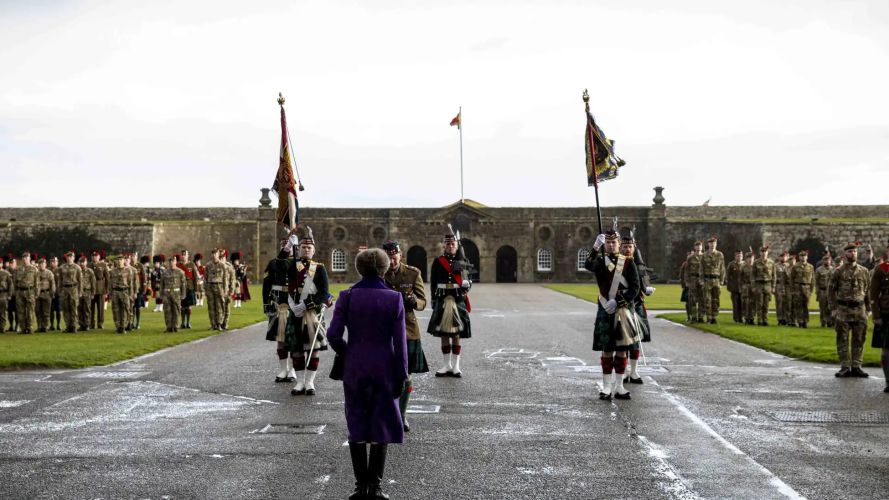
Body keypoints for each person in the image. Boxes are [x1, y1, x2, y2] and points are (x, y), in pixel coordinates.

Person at [327, 248, 407, 500]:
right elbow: (400, 343)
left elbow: (333, 335)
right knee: (382, 424)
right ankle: (376, 487)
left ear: (359, 269)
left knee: (357, 422)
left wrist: (347, 352)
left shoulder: (347, 296)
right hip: (384, 366)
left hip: (355, 366)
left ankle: (360, 487)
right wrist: (402, 374)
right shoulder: (394, 298)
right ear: (384, 269)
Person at [585, 227, 640, 400]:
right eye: (607, 242)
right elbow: (588, 265)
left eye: (613, 242)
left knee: (622, 350)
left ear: (618, 243)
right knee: (607, 349)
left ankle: (620, 386)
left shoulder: (628, 262)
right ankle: (607, 387)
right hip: (605, 311)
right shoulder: (601, 262)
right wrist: (595, 248)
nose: (610, 245)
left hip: (623, 310)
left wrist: (618, 301)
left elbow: (635, 288)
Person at [382, 240, 428, 431]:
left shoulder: (412, 273)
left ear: (400, 256)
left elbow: (423, 302)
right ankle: (387, 412)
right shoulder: (377, 273)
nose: (392, 262)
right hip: (383, 329)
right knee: (384, 374)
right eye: (388, 258)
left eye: (394, 258)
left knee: (406, 375)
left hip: (407, 329)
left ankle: (402, 415)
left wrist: (413, 300)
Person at [287, 227, 330, 396]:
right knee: (296, 349)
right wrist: (287, 248)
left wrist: (307, 305)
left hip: (313, 313)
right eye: (303, 247)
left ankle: (310, 382)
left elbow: (324, 292)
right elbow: (284, 277)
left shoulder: (319, 268)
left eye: (309, 248)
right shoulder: (292, 266)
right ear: (299, 249)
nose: (306, 250)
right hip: (296, 313)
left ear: (314, 251)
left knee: (314, 349)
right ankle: (299, 382)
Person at [428, 226, 472, 377]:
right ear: (444, 245)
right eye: (448, 244)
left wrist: (467, 286)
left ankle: (456, 366)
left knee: (456, 334)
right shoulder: (438, 261)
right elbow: (433, 282)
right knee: (444, 333)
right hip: (442, 298)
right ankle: (446, 365)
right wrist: (434, 300)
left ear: (457, 245)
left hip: (457, 299)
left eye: (453, 244)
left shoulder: (463, 261)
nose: (450, 246)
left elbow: (468, 281)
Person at [828, 242, 871, 377]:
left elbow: (868, 291)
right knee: (842, 339)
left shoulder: (864, 271)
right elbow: (831, 290)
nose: (853, 254)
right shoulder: (838, 271)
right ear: (845, 254)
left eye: (855, 252)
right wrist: (833, 308)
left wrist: (869, 308)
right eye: (850, 252)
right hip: (843, 309)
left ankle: (857, 366)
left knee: (859, 338)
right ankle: (845, 366)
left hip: (860, 309)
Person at [620, 230, 654, 384]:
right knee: (623, 340)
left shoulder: (639, 264)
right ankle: (625, 370)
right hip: (622, 305)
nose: (627, 249)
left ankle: (634, 371)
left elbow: (645, 282)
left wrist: (647, 289)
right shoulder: (616, 263)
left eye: (630, 246)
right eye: (625, 246)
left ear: (634, 248)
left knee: (635, 340)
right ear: (621, 247)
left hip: (637, 304)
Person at [264, 237, 298, 383]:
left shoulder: (298, 262)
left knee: (294, 339)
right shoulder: (274, 263)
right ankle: (283, 369)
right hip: (280, 304)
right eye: (284, 245)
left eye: (289, 245)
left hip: (295, 305)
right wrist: (266, 304)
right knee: (281, 338)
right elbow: (267, 283)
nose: (287, 247)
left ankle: (292, 369)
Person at [869, 240, 889, 392]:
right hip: (886, 313)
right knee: (886, 350)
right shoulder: (881, 269)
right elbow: (874, 295)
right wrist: (876, 315)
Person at [701, 235, 726, 324]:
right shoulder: (704, 255)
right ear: (708, 244)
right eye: (711, 243)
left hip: (716, 280)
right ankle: (709, 317)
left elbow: (722, 268)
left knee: (716, 300)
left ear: (716, 244)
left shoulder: (720, 254)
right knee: (707, 299)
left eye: (714, 243)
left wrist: (722, 280)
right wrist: (702, 280)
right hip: (707, 279)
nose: (712, 245)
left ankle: (714, 316)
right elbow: (701, 269)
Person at [110, 255, 136, 334]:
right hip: (115, 292)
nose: (119, 261)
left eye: (121, 260)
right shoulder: (112, 271)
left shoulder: (128, 270)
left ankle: (123, 326)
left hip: (124, 291)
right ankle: (118, 326)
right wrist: (110, 293)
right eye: (117, 260)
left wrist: (131, 294)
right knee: (115, 310)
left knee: (125, 309)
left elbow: (131, 283)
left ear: (124, 261)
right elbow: (110, 283)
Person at [161, 254, 187, 333]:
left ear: (176, 261)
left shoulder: (180, 272)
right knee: (167, 310)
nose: (172, 262)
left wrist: (183, 294)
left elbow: (183, 284)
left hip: (176, 293)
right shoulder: (164, 272)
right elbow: (162, 284)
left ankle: (175, 326)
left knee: (176, 310)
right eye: (170, 261)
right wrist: (161, 294)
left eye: (173, 261)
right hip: (167, 293)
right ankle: (168, 326)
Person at [790, 250, 815, 328]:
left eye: (804, 256)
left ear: (807, 257)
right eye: (801, 256)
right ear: (799, 257)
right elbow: (792, 279)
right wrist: (792, 290)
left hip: (806, 287)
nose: (803, 257)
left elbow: (813, 279)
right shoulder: (795, 266)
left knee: (806, 305)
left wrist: (811, 290)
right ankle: (800, 321)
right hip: (797, 287)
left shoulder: (811, 267)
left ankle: (805, 321)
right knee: (799, 305)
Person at [752, 245, 776, 326]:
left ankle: (765, 320)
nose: (763, 253)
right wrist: (753, 286)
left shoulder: (771, 263)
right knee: (759, 303)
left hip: (768, 284)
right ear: (760, 252)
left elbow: (774, 275)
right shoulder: (756, 262)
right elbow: (753, 275)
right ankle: (759, 320)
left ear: (767, 252)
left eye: (765, 252)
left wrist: (773, 287)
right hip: (759, 284)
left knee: (766, 304)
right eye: (762, 252)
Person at [204, 248, 226, 330]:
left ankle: (219, 323)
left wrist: (225, 289)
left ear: (218, 255)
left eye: (215, 254)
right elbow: (205, 278)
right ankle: (213, 324)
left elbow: (225, 278)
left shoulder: (222, 265)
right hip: (210, 287)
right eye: (213, 254)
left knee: (219, 306)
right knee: (211, 306)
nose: (214, 255)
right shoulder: (208, 265)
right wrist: (205, 289)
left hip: (219, 286)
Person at [684, 241, 704, 323]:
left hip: (702, 280)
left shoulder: (705, 256)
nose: (699, 247)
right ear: (695, 247)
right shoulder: (690, 258)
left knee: (702, 299)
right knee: (692, 299)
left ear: (702, 247)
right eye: (697, 246)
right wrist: (687, 281)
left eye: (700, 246)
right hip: (693, 280)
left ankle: (701, 317)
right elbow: (686, 271)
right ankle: (694, 316)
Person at [89, 251, 110, 329]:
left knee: (101, 308)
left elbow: (107, 277)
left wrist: (107, 290)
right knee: (91, 308)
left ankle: (100, 323)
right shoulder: (89, 264)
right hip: (91, 289)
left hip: (100, 288)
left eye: (96, 256)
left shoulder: (103, 264)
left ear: (99, 257)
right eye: (93, 256)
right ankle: (91, 323)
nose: (94, 257)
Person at [179, 249, 199, 329]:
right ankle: (183, 323)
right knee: (182, 307)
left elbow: (195, 277)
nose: (184, 256)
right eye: (182, 255)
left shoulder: (192, 264)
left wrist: (196, 289)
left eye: (185, 254)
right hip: (182, 289)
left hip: (190, 288)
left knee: (188, 307)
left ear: (188, 255)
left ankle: (188, 322)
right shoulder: (178, 265)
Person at [35, 257, 55, 333]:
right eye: (40, 263)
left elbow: (52, 284)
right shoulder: (36, 273)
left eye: (43, 263)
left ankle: (45, 326)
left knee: (46, 312)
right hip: (38, 294)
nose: (42, 265)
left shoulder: (49, 273)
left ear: (45, 264)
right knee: (38, 311)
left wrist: (52, 293)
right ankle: (39, 326)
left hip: (46, 293)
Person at [815, 253, 835, 327]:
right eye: (825, 260)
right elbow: (816, 281)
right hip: (822, 290)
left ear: (830, 261)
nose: (827, 261)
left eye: (828, 260)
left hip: (831, 291)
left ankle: (830, 321)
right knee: (822, 307)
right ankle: (823, 321)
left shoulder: (833, 269)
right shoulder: (819, 270)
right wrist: (817, 292)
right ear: (823, 261)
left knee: (830, 307)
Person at [78, 256, 96, 331]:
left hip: (87, 291)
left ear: (86, 262)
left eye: (83, 262)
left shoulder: (90, 271)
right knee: (80, 309)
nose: (82, 263)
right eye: (81, 262)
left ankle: (87, 324)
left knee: (87, 309)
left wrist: (93, 293)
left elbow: (93, 283)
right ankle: (81, 324)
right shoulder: (78, 271)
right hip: (79, 292)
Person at [726, 250, 744, 323]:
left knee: (742, 303)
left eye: (740, 256)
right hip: (734, 287)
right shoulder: (731, 265)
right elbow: (728, 276)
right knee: (735, 304)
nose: (739, 257)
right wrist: (729, 286)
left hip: (743, 288)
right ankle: (736, 318)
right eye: (738, 256)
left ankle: (741, 318)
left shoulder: (744, 264)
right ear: (735, 256)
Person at [774, 251, 792, 326]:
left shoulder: (789, 266)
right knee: (779, 303)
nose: (783, 258)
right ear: (779, 257)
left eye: (785, 256)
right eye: (782, 256)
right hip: (779, 286)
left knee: (788, 302)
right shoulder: (775, 266)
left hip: (787, 286)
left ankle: (787, 318)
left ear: (787, 257)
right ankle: (780, 319)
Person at [49, 256, 62, 331]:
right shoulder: (48, 270)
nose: (52, 263)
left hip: (58, 293)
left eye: (54, 261)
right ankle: (51, 325)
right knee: (51, 310)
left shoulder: (60, 270)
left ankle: (58, 324)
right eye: (51, 261)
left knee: (58, 310)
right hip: (50, 294)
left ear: (57, 262)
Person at [0, 257, 12, 333]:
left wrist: (9, 295)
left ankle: (2, 327)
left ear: (1, 264)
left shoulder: (6, 273)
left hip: (3, 295)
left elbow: (10, 285)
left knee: (3, 313)